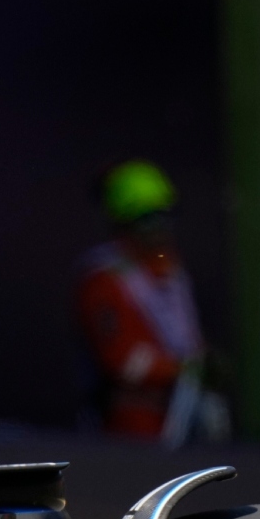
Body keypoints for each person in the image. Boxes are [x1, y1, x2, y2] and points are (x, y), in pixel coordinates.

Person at [76, 161, 224, 444]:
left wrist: (203, 366)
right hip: (130, 428)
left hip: (182, 418)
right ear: (124, 223)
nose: (160, 230)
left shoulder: (171, 274)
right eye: (149, 220)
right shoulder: (103, 279)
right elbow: (124, 361)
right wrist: (183, 368)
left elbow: (187, 337)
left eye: (165, 218)